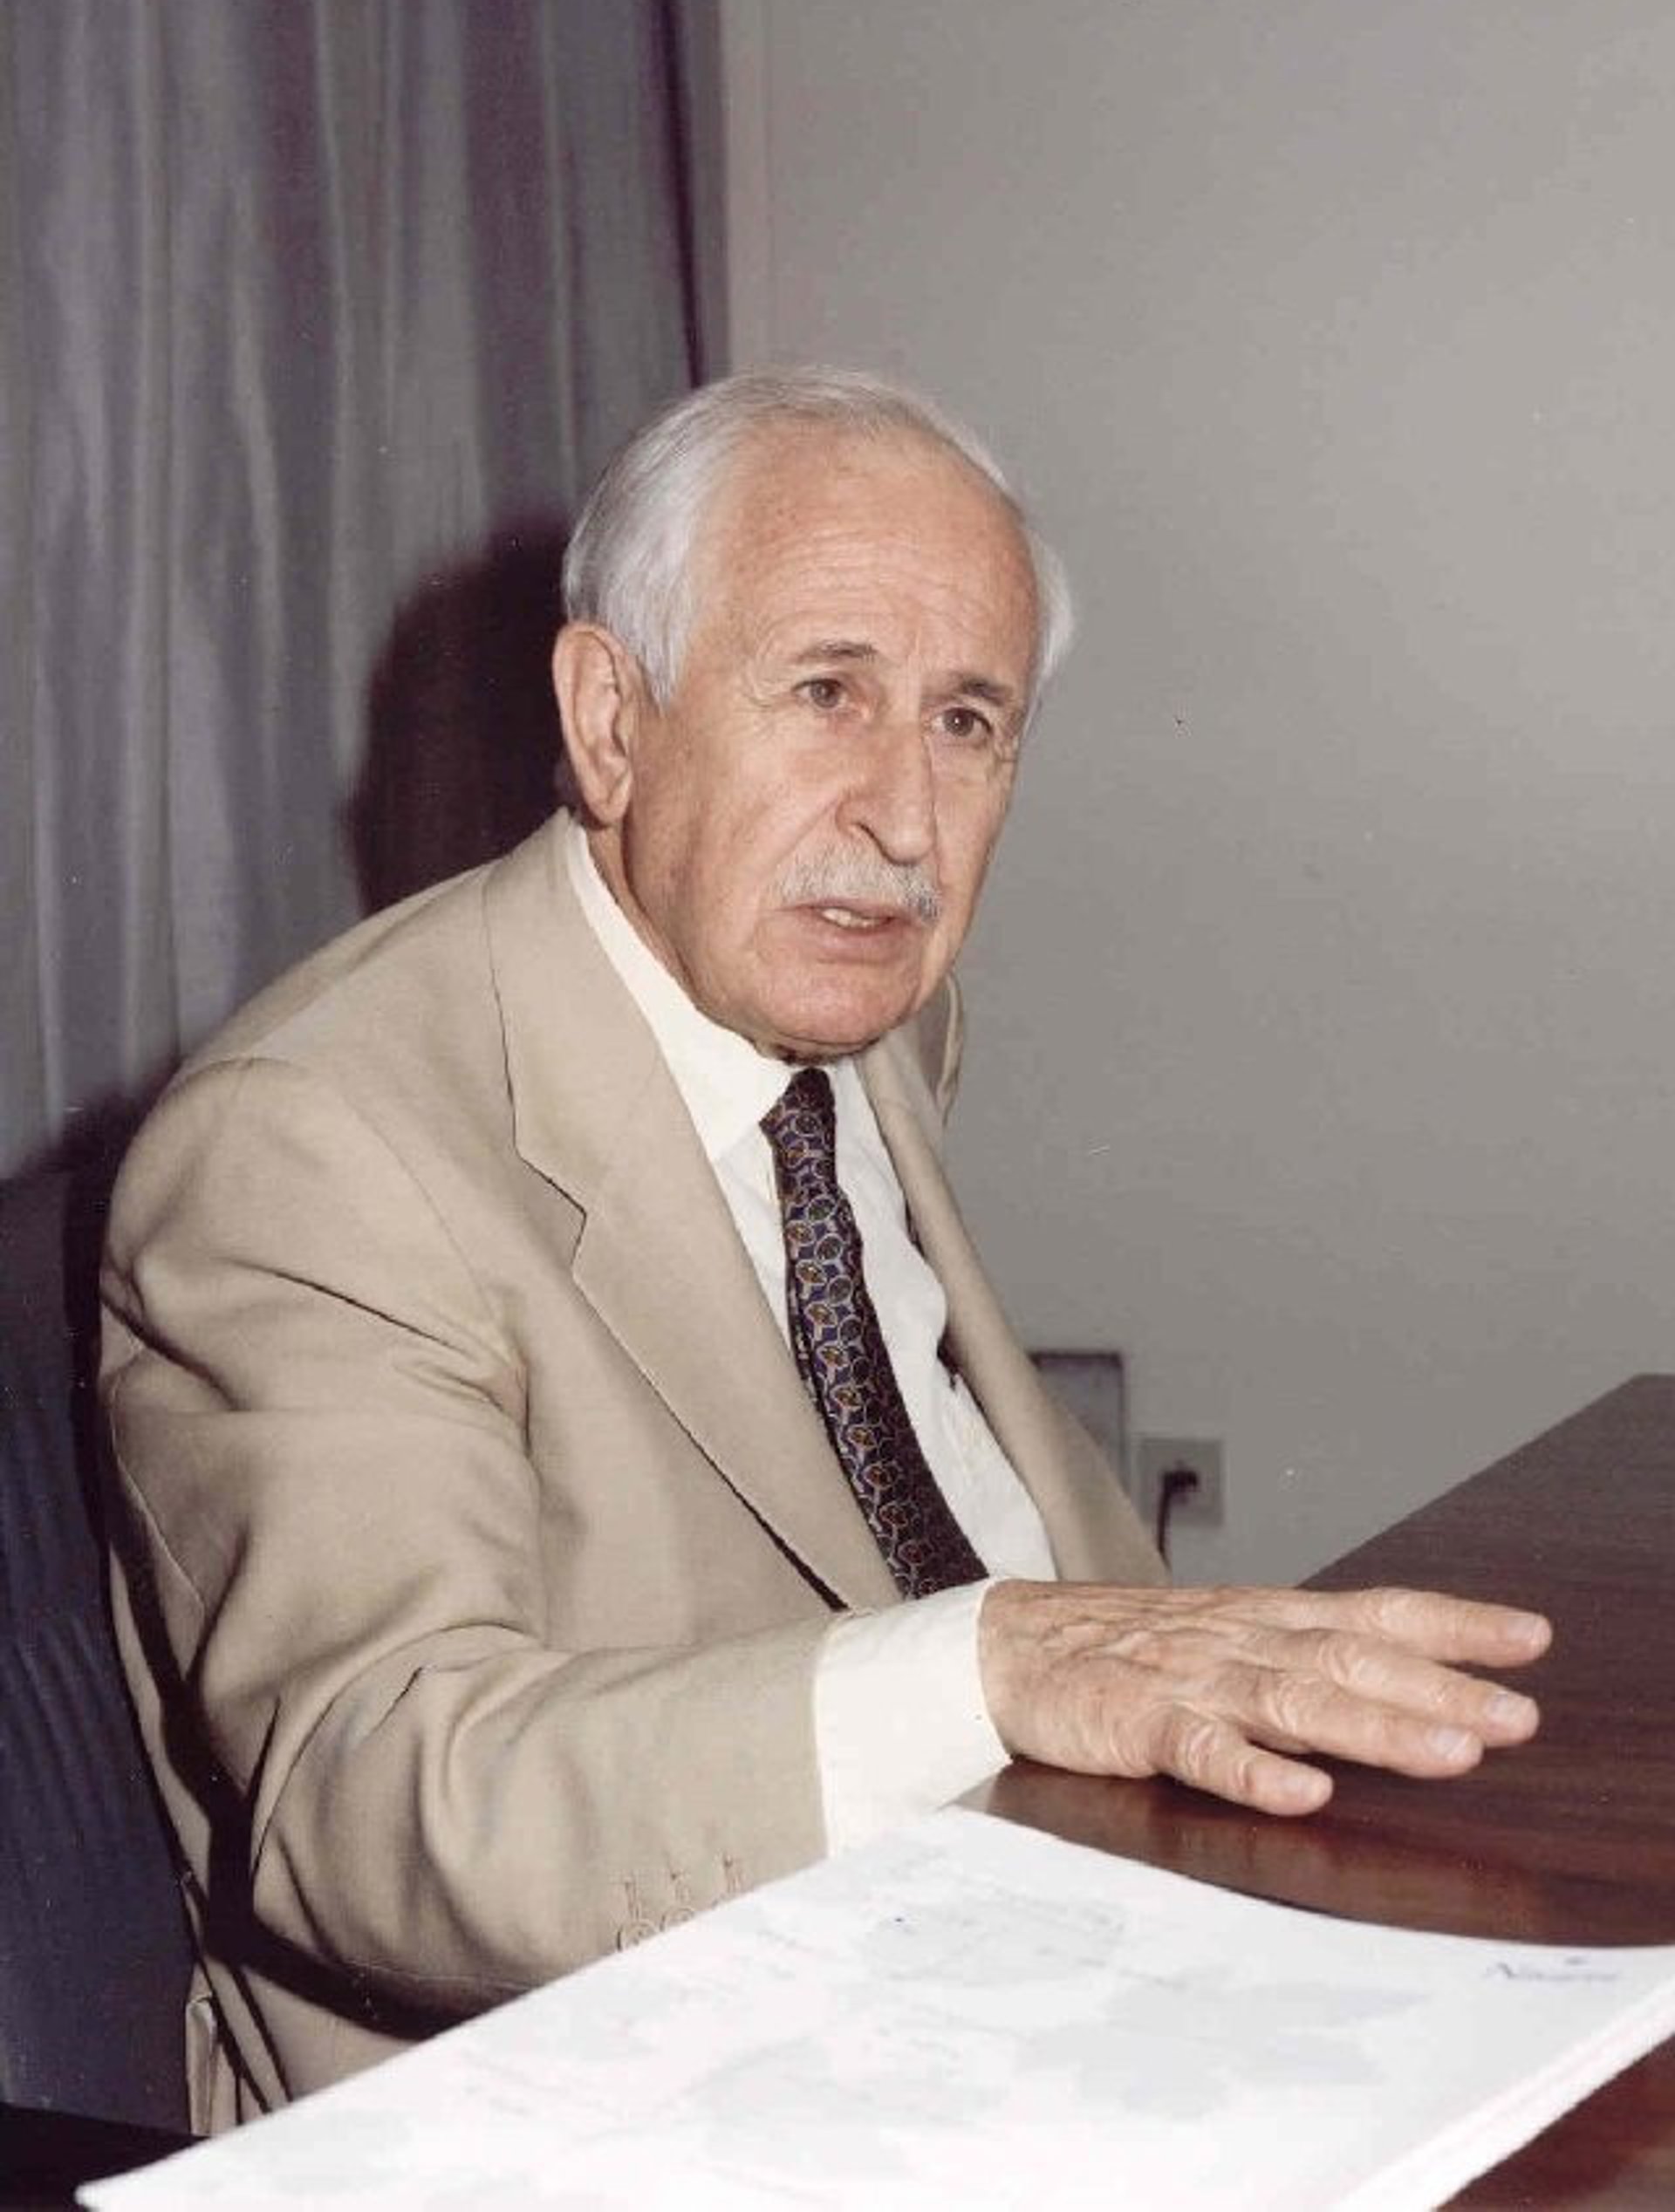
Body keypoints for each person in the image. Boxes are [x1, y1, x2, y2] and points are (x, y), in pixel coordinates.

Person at [100, 368, 1549, 2128]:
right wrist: (995, 1664)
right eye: (825, 693)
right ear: (609, 721)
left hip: (1008, 1981)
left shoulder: (850, 1006)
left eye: (968, 720)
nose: (905, 821)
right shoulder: (314, 1142)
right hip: (577, 2109)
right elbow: (379, 1801)